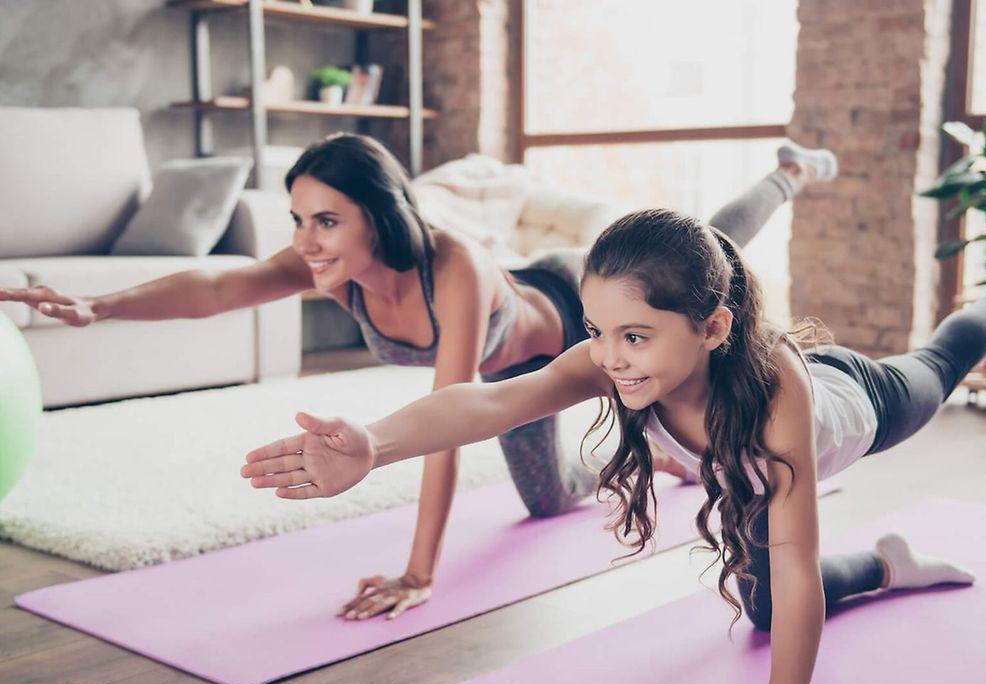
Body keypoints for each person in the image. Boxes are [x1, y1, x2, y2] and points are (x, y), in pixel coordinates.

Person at [241, 207, 986, 684]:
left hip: (854, 407)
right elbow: (491, 401)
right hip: (748, 474)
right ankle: (892, 567)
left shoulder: (777, 385)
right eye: (597, 331)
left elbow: (792, 555)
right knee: (762, 615)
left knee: (939, 367)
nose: (609, 358)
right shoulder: (610, 361)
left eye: (635, 336)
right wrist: (374, 444)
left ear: (713, 327)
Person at [0, 132, 835, 625]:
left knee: (714, 247)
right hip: (511, 383)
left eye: (327, 220)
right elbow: (218, 285)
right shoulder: (333, 261)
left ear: (381, 217)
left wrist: (420, 570)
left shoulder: (454, 271)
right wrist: (95, 307)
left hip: (550, 328)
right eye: (299, 220)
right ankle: (652, 447)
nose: (308, 240)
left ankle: (787, 174)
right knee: (548, 501)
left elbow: (455, 412)